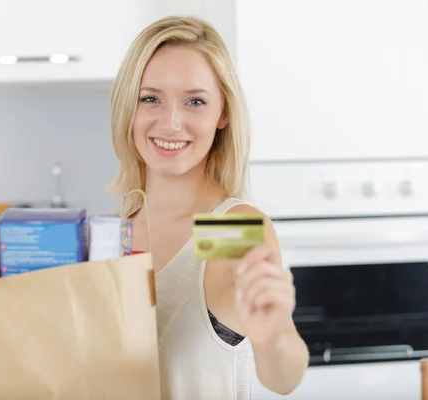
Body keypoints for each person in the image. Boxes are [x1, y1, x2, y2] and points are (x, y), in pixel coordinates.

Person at [108, 16, 309, 399]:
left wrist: (272, 338)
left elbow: (284, 377)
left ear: (223, 114)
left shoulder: (225, 229)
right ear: (128, 108)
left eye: (195, 101)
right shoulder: (117, 229)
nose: (170, 123)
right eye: (150, 98)